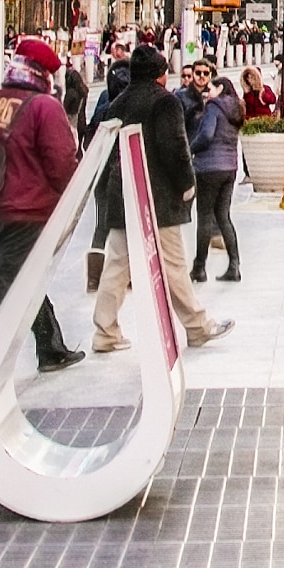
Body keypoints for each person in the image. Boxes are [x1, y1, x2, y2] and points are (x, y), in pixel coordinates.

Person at [89, 47, 230, 352]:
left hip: (122, 193)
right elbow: (175, 149)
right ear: (159, 73)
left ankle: (105, 332)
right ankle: (197, 326)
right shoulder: (165, 102)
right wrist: (186, 184)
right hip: (158, 197)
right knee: (173, 263)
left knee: (116, 265)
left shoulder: (119, 102)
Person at [0, 44, 83, 379]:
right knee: (9, 282)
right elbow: (61, 164)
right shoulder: (44, 106)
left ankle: (50, 346)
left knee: (25, 275)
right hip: (30, 210)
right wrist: (71, 199)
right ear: (43, 72)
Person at [185, 57, 244, 281]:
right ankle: (234, 265)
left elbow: (207, 135)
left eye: (211, 87)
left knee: (205, 217)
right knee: (223, 216)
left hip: (208, 167)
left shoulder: (213, 106)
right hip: (230, 168)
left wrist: (192, 148)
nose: (207, 90)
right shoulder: (235, 110)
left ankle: (199, 268)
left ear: (220, 88)